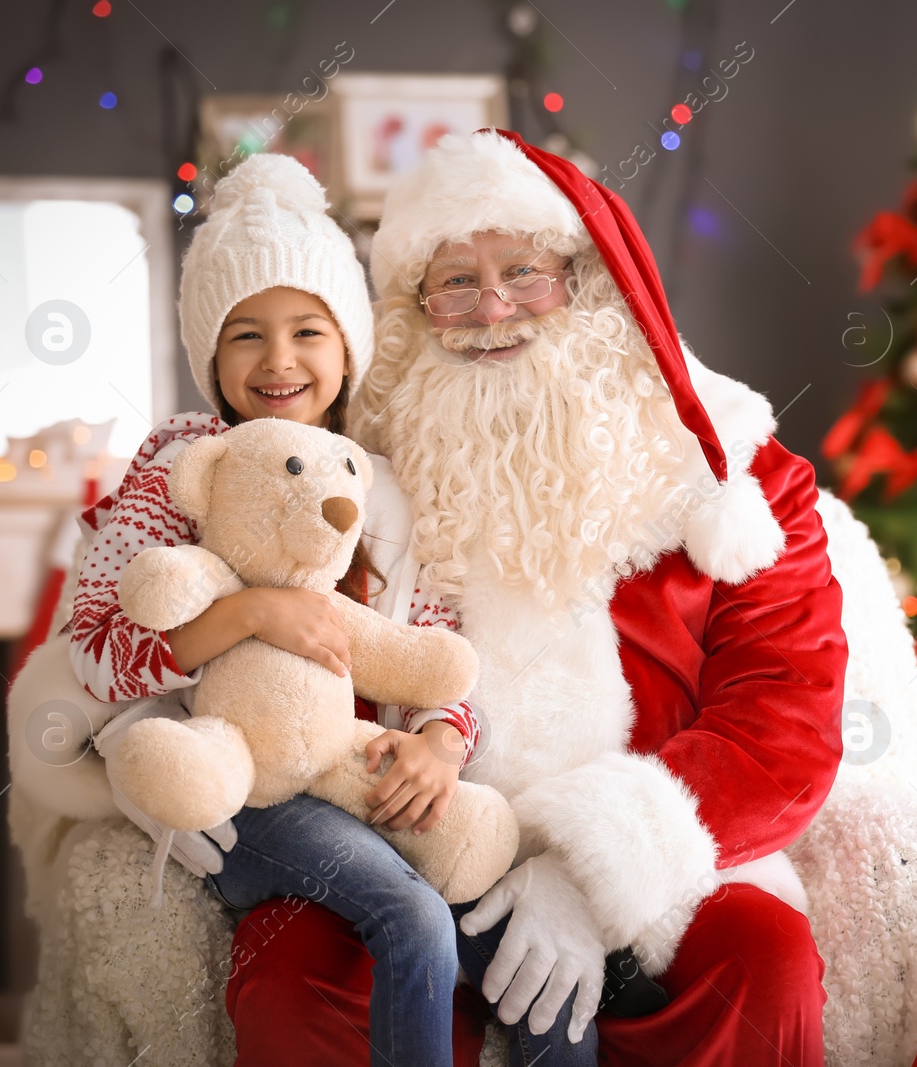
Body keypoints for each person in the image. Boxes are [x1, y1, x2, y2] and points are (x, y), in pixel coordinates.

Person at [222, 129, 849, 1065]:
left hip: (660, 869)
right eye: (456, 282)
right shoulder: (350, 475)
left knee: (767, 964)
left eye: (525, 270)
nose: (492, 310)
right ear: (413, 309)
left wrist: (590, 873)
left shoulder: (732, 477)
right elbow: (271, 654)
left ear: (587, 282)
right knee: (288, 973)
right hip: (415, 845)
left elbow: (786, 725)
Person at [64, 152, 593, 1067]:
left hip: (353, 764)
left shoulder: (380, 479)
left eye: (307, 330)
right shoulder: (178, 463)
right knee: (413, 916)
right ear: (209, 355)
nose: (279, 361)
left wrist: (438, 741)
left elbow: (434, 640)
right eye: (245, 335)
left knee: (522, 955)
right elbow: (96, 651)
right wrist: (253, 612)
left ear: (347, 343)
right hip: (244, 783)